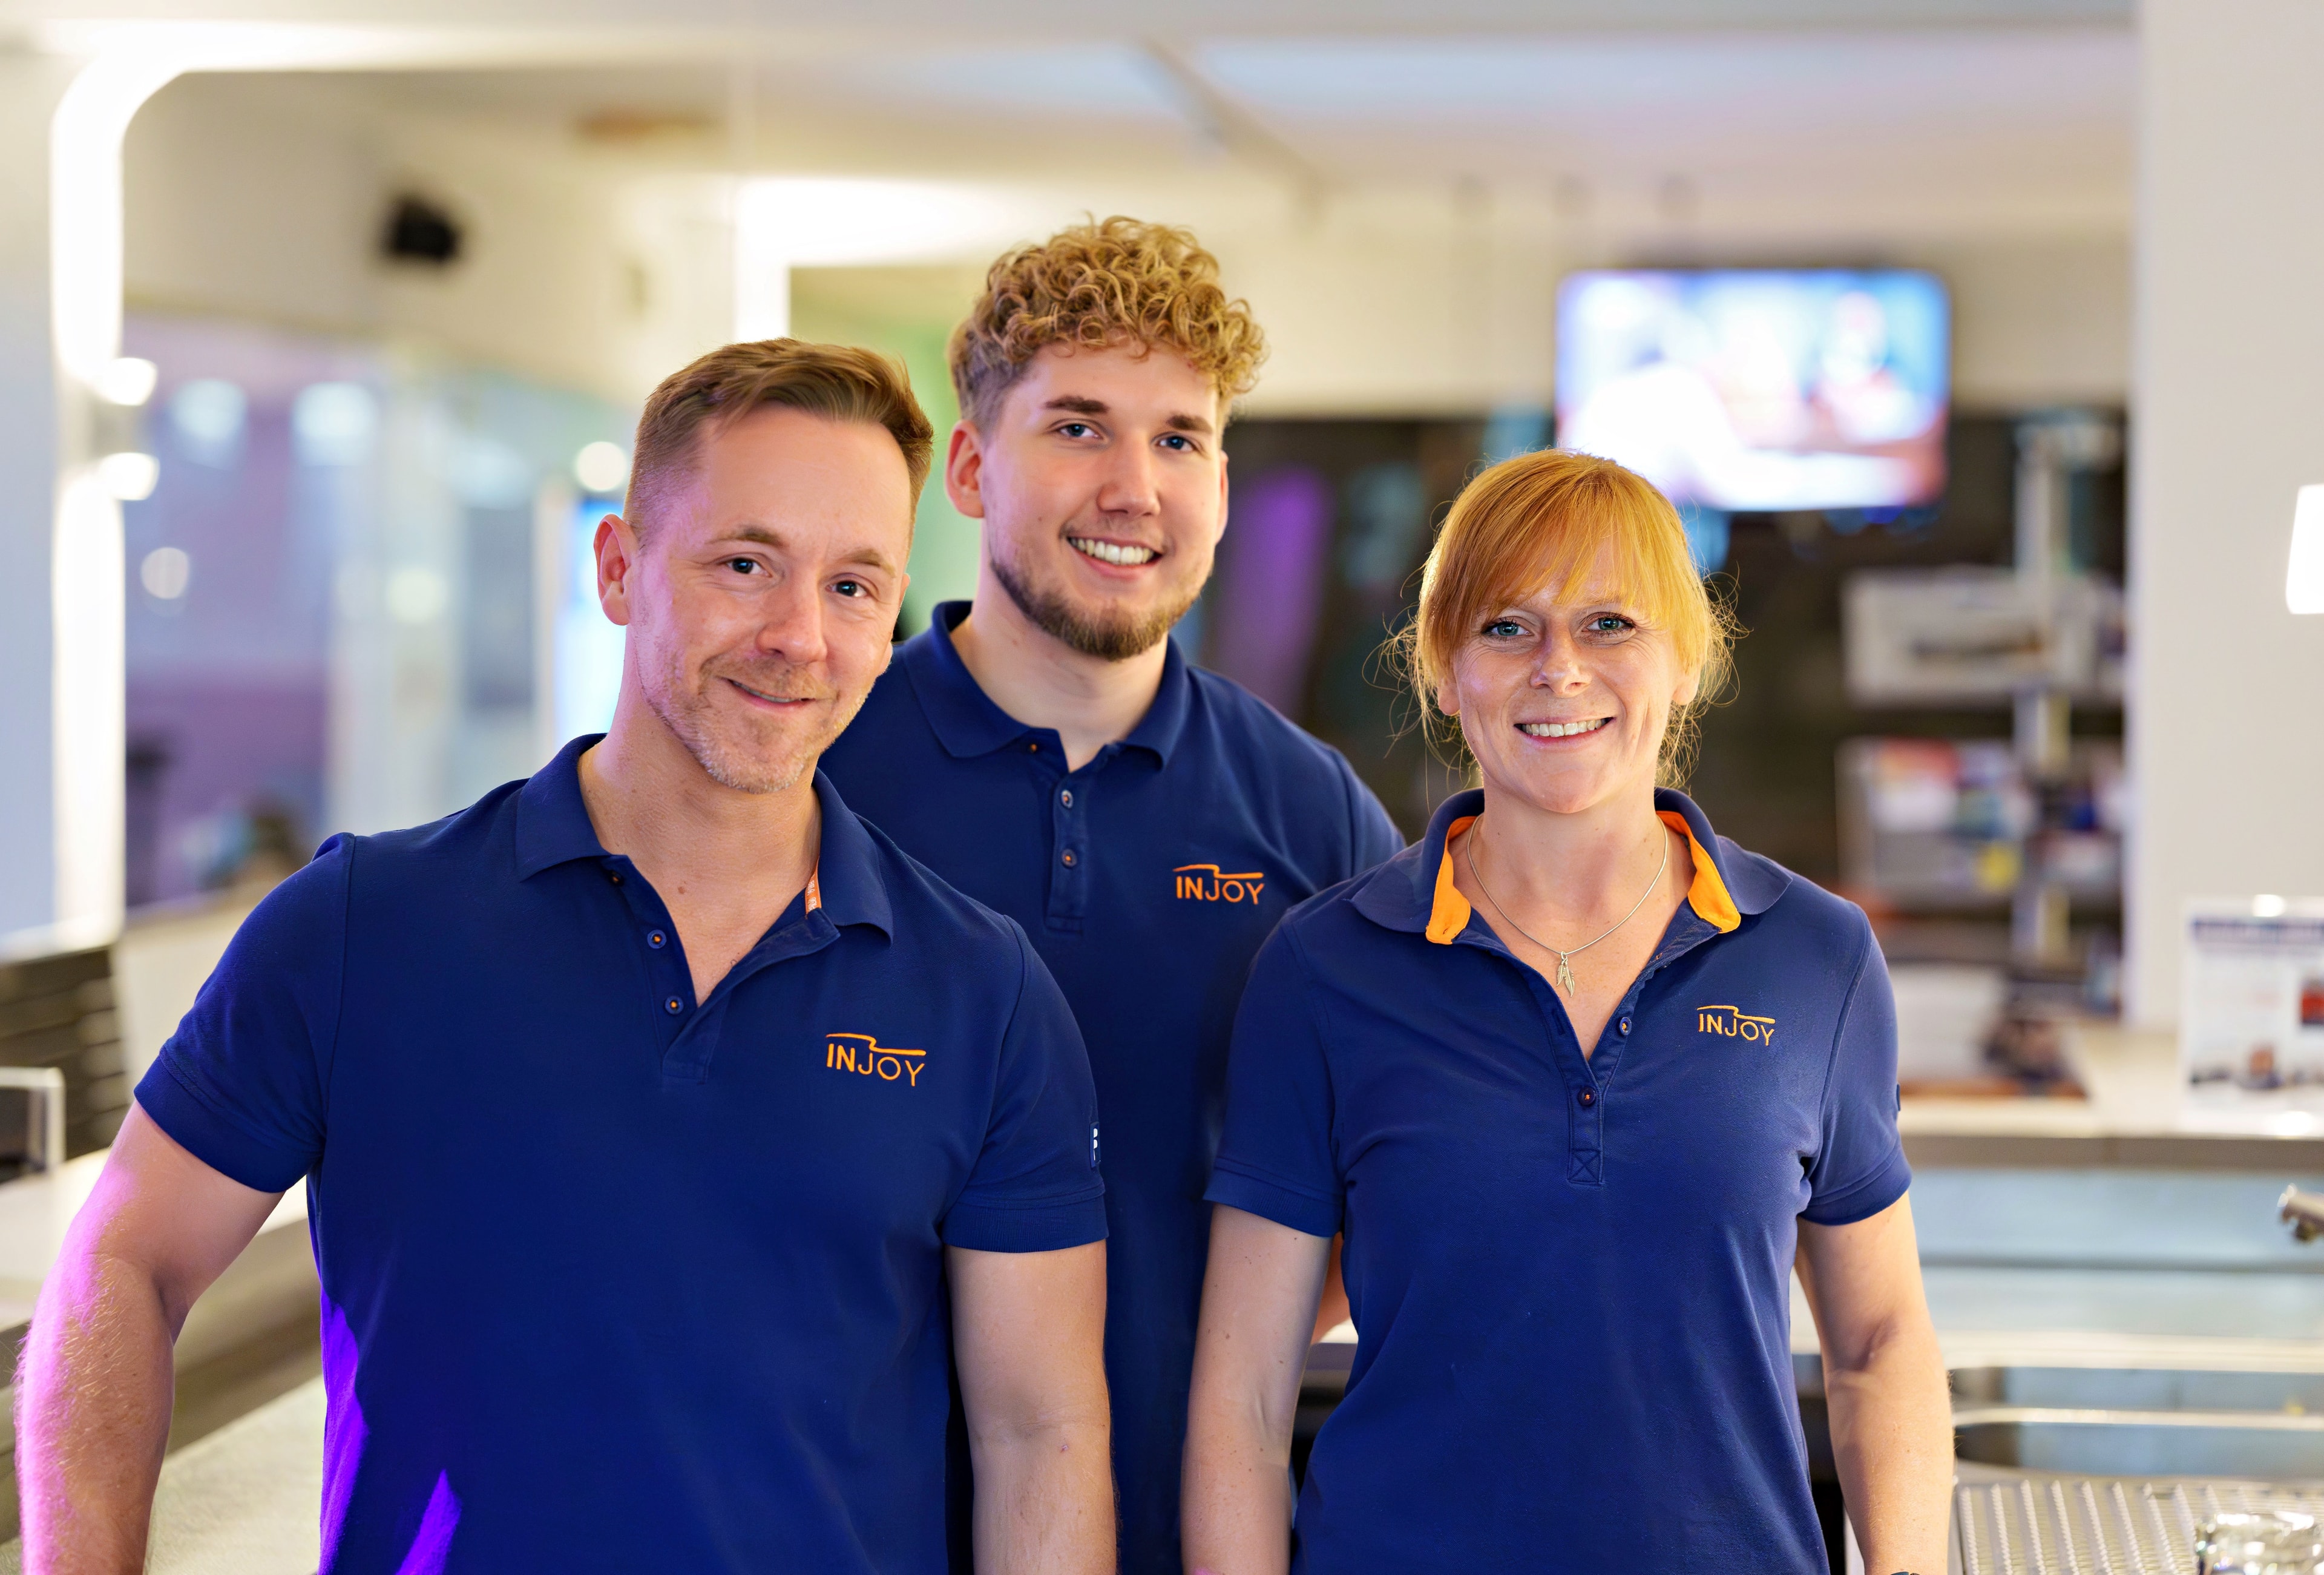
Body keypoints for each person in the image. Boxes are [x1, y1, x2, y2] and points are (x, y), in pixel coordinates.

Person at [18, 341, 1117, 1574]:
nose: (800, 635)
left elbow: (1041, 1431)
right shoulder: (359, 928)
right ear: (618, 568)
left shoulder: (985, 994)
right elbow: (123, 1259)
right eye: (745, 564)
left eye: (855, 585)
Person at [1182, 449, 1952, 1573]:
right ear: (1443, 670)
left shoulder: (1815, 958)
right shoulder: (1325, 969)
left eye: (1609, 624)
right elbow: (1243, 1390)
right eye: (1506, 627)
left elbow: (1881, 1343)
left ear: (1684, 660)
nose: (1560, 669)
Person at [819, 217, 1404, 1573]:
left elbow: (1419, 1137)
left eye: (1181, 437)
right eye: (1078, 427)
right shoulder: (821, 768)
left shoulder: (1307, 814)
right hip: (835, 1517)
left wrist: (1241, 1331)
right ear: (970, 467)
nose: (1134, 486)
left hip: (1191, 1519)